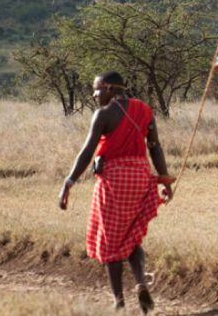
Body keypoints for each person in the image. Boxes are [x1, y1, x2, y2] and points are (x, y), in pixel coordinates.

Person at [58, 71, 174, 313]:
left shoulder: (103, 114)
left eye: (97, 90)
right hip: (140, 178)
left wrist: (69, 181)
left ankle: (118, 302)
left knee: (110, 242)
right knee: (131, 236)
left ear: (110, 88)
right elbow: (155, 147)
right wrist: (164, 178)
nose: (94, 95)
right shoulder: (145, 110)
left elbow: (87, 151)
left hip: (114, 180)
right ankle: (141, 282)